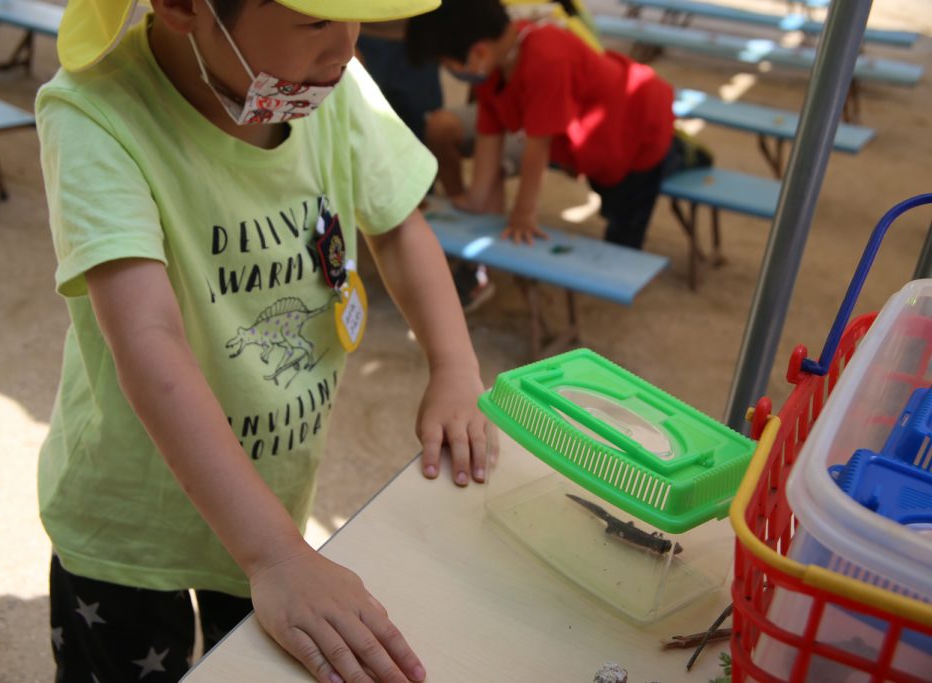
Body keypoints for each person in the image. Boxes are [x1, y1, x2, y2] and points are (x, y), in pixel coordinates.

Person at [36, 0, 489, 681]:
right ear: (183, 5)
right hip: (129, 526)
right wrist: (275, 555)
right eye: (317, 22)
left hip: (269, 505)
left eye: (354, 17)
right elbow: (147, 336)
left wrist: (453, 365)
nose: (345, 48)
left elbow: (398, 225)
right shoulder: (95, 112)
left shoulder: (327, 84)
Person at [407, 0, 712, 250]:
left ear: (478, 52)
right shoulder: (494, 67)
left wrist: (523, 214)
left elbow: (537, 148)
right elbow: (490, 134)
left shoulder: (546, 58)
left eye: (447, 64)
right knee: (610, 194)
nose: (448, 70)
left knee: (624, 221)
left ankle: (684, 154)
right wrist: (475, 200)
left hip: (640, 132)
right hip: (597, 143)